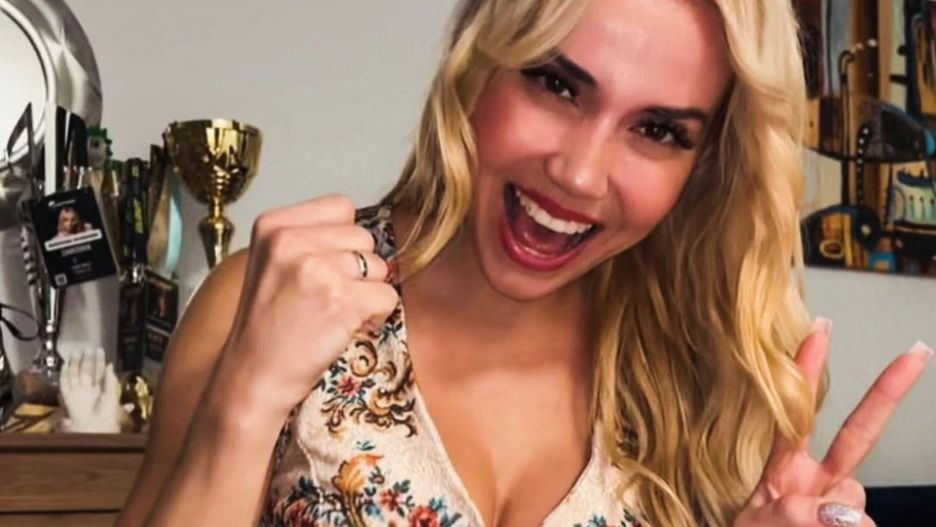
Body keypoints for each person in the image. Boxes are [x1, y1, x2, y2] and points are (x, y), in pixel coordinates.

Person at [117, 1, 932, 526]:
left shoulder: (710, 389)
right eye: (556, 84)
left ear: (703, 165)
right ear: (480, 65)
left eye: (657, 131)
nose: (579, 174)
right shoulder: (268, 303)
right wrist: (247, 398)